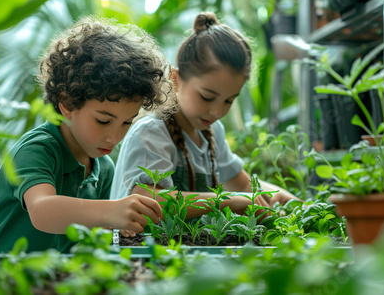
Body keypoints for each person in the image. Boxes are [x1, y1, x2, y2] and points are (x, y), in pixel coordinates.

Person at [0, 16, 171, 253]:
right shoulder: (37, 149)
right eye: (103, 120)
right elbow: (43, 211)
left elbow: (84, 233)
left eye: (127, 122)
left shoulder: (103, 167)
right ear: (67, 103)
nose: (114, 137)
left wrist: (110, 227)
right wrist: (111, 211)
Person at [110, 12, 300, 236]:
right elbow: (151, 199)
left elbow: (244, 186)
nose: (218, 111)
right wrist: (227, 200)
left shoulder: (211, 131)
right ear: (176, 79)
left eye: (229, 100)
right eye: (207, 97)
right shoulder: (152, 133)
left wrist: (290, 201)